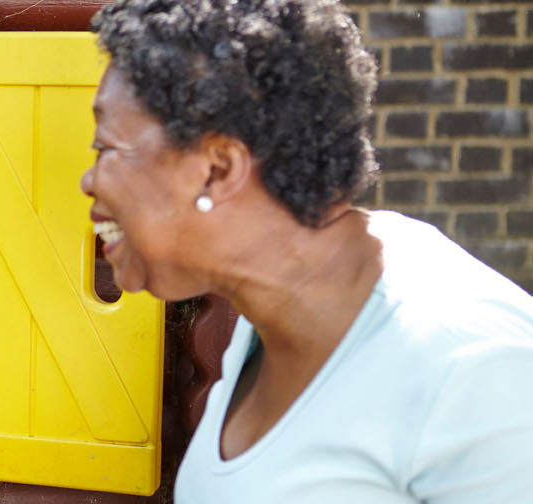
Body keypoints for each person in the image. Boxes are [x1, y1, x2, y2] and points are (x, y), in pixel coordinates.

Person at [83, 0, 533, 502]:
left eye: (106, 148)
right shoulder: (267, 309)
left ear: (219, 169)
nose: (87, 181)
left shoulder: (473, 366)